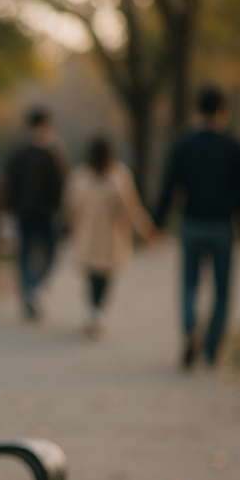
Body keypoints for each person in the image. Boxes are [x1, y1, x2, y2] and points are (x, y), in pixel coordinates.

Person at [153, 86, 240, 368]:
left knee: (189, 284)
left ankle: (190, 329)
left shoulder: (183, 144)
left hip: (192, 224)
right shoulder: (235, 145)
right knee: (222, 291)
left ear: (198, 110)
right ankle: (212, 349)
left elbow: (169, 187)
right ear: (223, 111)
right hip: (223, 227)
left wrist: (157, 224)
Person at [63, 137, 156, 338]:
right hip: (110, 237)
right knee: (104, 276)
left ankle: (94, 312)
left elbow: (70, 207)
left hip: (87, 235)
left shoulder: (79, 177)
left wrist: (72, 229)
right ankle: (98, 312)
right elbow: (131, 207)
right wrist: (145, 229)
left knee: (94, 276)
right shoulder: (119, 176)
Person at [3, 107, 67, 320]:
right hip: (46, 213)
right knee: (50, 253)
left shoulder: (19, 152)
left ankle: (30, 291)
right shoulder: (53, 152)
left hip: (24, 212)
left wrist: (11, 208)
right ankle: (35, 289)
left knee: (25, 255)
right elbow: (61, 184)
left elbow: (8, 183)